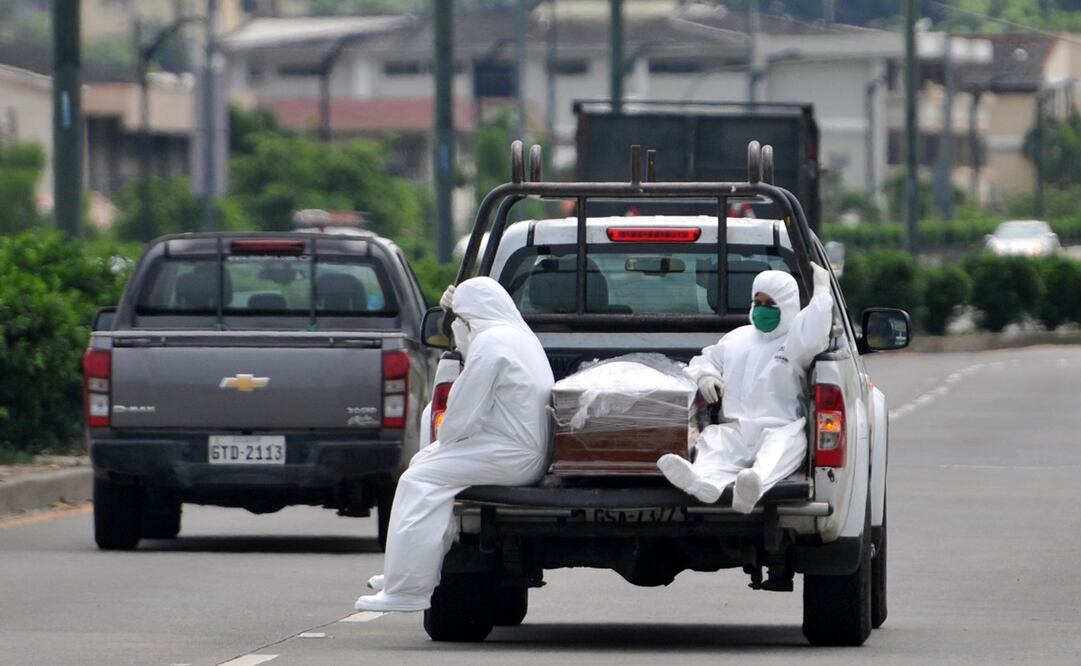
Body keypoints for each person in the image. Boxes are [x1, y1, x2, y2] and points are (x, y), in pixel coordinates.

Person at [355, 276, 554, 612]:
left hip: (511, 454)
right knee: (424, 466)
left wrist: (447, 441)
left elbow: (458, 417)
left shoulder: (491, 344)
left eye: (458, 322)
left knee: (418, 480)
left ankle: (407, 591)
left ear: (468, 319)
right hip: (516, 449)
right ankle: (404, 571)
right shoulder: (516, 336)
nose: (456, 331)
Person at [657, 262, 834, 514]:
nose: (762, 309)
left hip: (780, 426)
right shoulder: (737, 338)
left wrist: (822, 291)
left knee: (783, 449)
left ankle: (753, 487)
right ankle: (703, 482)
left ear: (787, 304)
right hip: (736, 427)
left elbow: (815, 329)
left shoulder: (795, 339)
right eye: (757, 302)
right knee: (714, 443)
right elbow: (705, 360)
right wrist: (706, 376)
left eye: (770, 304)